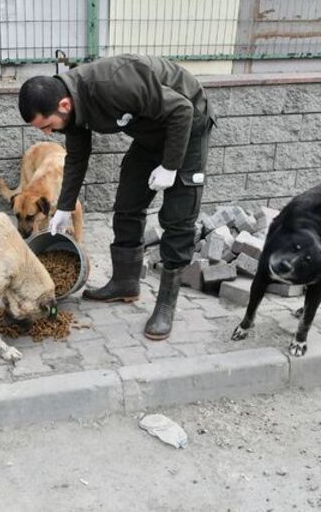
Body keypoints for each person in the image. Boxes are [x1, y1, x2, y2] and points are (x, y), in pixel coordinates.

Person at [18, 54, 213, 340]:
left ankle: (165, 306)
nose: (48, 133)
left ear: (63, 105)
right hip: (151, 134)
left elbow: (181, 110)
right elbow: (77, 157)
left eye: (47, 125)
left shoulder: (114, 84)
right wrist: (64, 207)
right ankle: (125, 282)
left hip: (187, 122)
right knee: (127, 203)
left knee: (177, 218)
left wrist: (170, 166)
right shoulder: (71, 106)